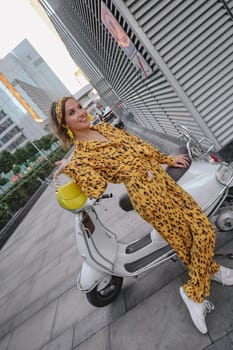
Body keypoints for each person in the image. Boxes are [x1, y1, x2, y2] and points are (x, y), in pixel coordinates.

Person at [50, 96, 233, 334]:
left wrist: (168, 160)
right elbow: (97, 187)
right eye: (72, 113)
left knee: (202, 230)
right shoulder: (82, 157)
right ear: (64, 123)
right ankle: (196, 292)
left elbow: (140, 146)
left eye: (80, 107)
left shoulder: (104, 127)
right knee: (187, 240)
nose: (81, 113)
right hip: (145, 195)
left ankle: (204, 278)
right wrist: (72, 167)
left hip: (162, 180)